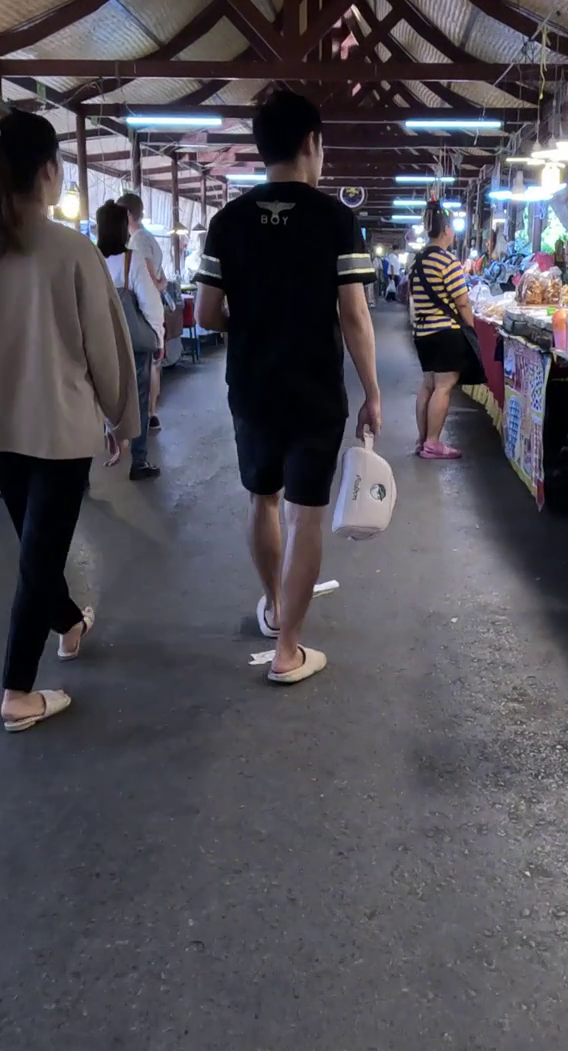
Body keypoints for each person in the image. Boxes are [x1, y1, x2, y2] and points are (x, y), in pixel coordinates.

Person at [0, 111, 141, 732]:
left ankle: (70, 623)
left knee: (36, 549)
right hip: (63, 432)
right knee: (37, 560)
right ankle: (17, 692)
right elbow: (107, 347)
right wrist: (121, 418)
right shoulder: (72, 250)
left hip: (0, 432)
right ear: (48, 171)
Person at [194, 90, 378, 686]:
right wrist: (373, 392)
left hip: (251, 386)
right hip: (315, 388)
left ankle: (274, 606)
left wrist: (250, 322)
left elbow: (204, 313)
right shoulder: (336, 219)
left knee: (262, 500)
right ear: (312, 144)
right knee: (306, 517)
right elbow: (354, 315)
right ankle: (288, 650)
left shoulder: (228, 221)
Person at [96, 200, 163, 480]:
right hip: (132, 342)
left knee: (96, 400)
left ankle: (85, 473)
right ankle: (139, 461)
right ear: (124, 227)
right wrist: (158, 337)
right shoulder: (131, 260)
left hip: (98, 342)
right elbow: (150, 303)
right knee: (139, 397)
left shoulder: (92, 259)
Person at [406, 201, 473, 460]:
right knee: (443, 387)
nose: (453, 233)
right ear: (445, 230)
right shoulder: (448, 261)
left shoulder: (417, 261)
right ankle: (433, 443)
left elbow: (413, 294)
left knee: (428, 384)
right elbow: (462, 302)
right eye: (452, 228)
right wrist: (471, 327)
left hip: (423, 332)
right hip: (446, 332)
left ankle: (422, 439)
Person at [116, 192, 168, 431]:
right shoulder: (149, 238)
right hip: (154, 306)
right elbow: (161, 277)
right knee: (153, 364)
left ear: (127, 214)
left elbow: (147, 278)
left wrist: (154, 287)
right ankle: (151, 414)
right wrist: (159, 286)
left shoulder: (137, 242)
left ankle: (147, 415)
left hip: (144, 310)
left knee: (146, 365)